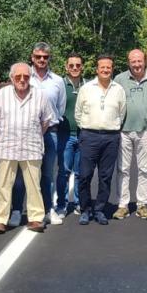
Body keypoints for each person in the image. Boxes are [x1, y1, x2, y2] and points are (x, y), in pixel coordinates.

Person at [0, 62, 56, 234]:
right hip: (7, 146)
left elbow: (46, 121)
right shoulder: (2, 95)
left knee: (33, 186)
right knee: (3, 185)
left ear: (30, 77)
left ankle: (35, 218)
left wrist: (34, 133)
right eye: (18, 77)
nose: (22, 80)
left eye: (26, 76)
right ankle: (1, 220)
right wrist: (0, 131)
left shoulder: (39, 96)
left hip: (31, 147)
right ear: (11, 78)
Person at [10, 42, 66, 227]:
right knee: (21, 175)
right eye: (38, 56)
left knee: (47, 174)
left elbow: (60, 108)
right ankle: (17, 210)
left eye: (45, 57)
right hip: (25, 134)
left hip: (50, 133)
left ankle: (47, 209)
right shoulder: (24, 76)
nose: (42, 60)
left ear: (49, 58)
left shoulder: (57, 81)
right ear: (32, 57)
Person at [75, 54, 126, 226]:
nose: (105, 70)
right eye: (102, 67)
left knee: (105, 177)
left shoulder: (118, 89)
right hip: (89, 136)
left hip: (111, 137)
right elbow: (78, 113)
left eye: (108, 67)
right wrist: (88, 128)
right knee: (85, 175)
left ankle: (99, 210)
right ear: (97, 69)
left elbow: (122, 113)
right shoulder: (86, 88)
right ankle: (85, 209)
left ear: (112, 69)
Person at [112, 49, 147, 220]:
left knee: (145, 169)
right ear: (128, 62)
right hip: (124, 130)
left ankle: (142, 204)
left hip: (146, 130)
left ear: (145, 61)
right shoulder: (119, 79)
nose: (137, 65)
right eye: (133, 61)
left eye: (140, 61)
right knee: (123, 169)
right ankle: (123, 205)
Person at [56, 52, 85, 217]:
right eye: (71, 65)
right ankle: (61, 204)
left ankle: (79, 203)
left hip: (83, 135)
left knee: (81, 172)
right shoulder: (60, 85)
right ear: (66, 67)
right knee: (64, 171)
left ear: (82, 67)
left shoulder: (88, 85)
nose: (75, 68)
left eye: (78, 65)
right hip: (64, 135)